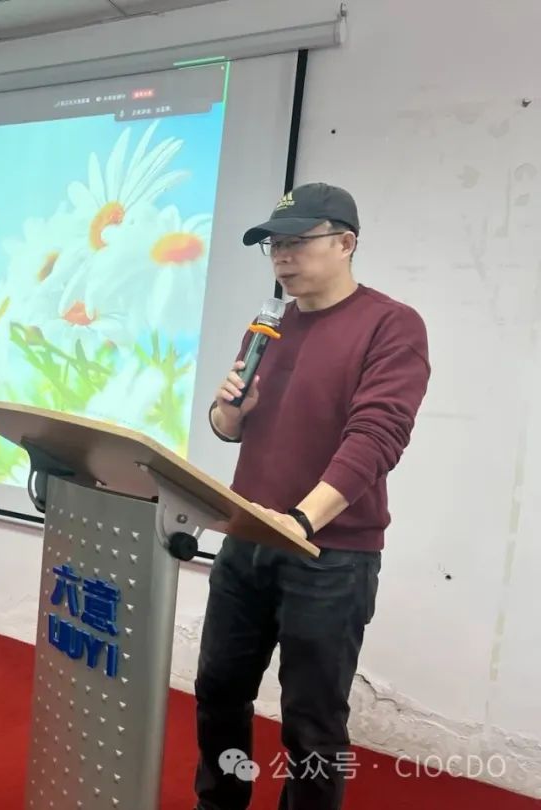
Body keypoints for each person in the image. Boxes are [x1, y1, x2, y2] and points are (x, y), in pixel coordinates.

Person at [192, 182, 431, 810]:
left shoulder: (391, 325)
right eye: (274, 244)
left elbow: (376, 437)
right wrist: (229, 410)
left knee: (312, 718)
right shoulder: (268, 326)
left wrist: (302, 520)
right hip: (248, 539)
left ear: (346, 243)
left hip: (331, 555)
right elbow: (228, 428)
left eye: (298, 241)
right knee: (218, 690)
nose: (282, 256)